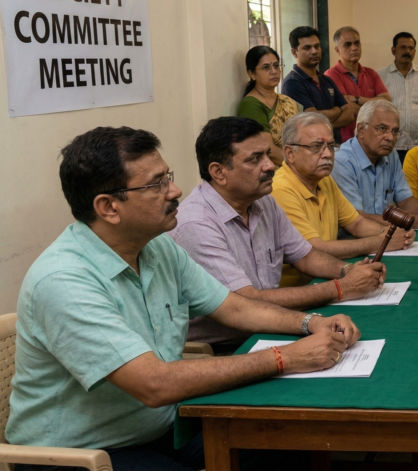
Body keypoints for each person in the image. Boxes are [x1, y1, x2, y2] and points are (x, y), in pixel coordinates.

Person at [7, 126, 360, 470]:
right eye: (157, 184)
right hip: (84, 453)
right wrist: (285, 358)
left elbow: (235, 307)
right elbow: (154, 383)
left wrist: (311, 323)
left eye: (168, 176)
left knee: (286, 441)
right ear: (109, 207)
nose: (175, 190)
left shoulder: (157, 247)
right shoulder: (65, 281)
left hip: (161, 426)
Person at [169, 117, 385, 353]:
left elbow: (305, 256)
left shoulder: (263, 201)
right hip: (226, 347)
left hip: (269, 328)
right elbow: (246, 303)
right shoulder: (196, 224)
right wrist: (341, 287)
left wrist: (347, 271)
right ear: (218, 172)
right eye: (255, 159)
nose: (270, 165)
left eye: (267, 155)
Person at [271, 111, 414, 287]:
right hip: (297, 291)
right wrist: (380, 241)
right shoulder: (281, 189)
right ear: (290, 153)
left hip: (326, 278)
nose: (328, 155)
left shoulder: (324, 180)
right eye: (316, 147)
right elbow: (314, 249)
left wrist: (391, 234)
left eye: (330, 146)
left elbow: (356, 223)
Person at [332, 100, 418, 229]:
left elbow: (405, 200)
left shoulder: (390, 155)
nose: (390, 138)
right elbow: (356, 217)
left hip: (386, 233)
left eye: (395, 131)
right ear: (361, 129)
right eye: (382, 129)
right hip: (352, 238)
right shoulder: (342, 162)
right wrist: (414, 221)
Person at [280, 26, 357, 145]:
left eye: (317, 46)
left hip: (335, 147)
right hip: (310, 150)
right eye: (307, 47)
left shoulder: (327, 80)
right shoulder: (292, 82)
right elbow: (312, 119)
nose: (314, 51)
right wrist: (337, 110)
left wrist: (322, 123)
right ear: (294, 52)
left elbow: (349, 115)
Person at [377, 31, 418, 162]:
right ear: (393, 50)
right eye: (402, 47)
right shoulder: (380, 75)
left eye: (411, 48)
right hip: (390, 143)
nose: (407, 51)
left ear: (415, 51)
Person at [236, 45, 303, 167]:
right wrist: (301, 165)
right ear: (252, 74)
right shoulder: (251, 104)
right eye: (266, 67)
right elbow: (268, 150)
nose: (274, 71)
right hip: (272, 171)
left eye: (276, 65)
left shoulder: (286, 101)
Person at [324, 26, 392, 144]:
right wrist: (375, 108)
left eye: (357, 43)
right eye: (348, 44)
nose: (354, 48)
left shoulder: (371, 73)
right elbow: (347, 108)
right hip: (345, 142)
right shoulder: (331, 75)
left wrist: (357, 99)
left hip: (372, 141)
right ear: (337, 50)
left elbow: (386, 101)